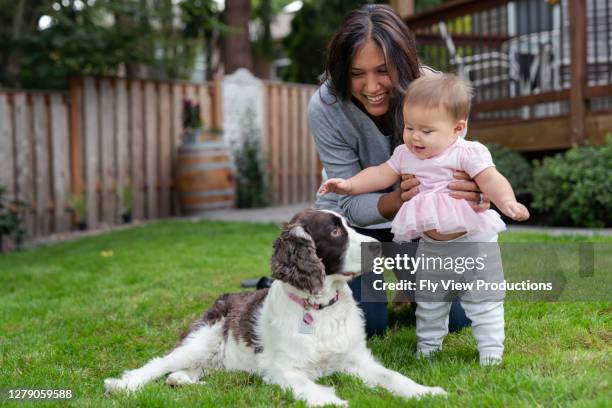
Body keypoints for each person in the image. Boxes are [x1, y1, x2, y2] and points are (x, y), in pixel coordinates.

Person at [320, 74, 529, 364]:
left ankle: (491, 352)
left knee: (483, 301)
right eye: (409, 127)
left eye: (427, 131)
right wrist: (350, 185)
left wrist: (507, 201)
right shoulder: (406, 154)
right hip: (432, 246)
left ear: (457, 129)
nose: (415, 136)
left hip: (473, 244)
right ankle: (428, 348)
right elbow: (380, 173)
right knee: (430, 302)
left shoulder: (467, 152)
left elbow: (491, 178)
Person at [308, 4, 490, 337]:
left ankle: (413, 283)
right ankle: (299, 280)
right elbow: (350, 206)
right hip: (355, 224)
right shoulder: (326, 106)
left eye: (383, 70)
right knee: (368, 325)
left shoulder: (438, 94)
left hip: (420, 224)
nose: (371, 86)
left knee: (457, 320)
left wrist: (474, 192)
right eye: (356, 73)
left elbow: (459, 182)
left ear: (403, 64)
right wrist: (397, 200)